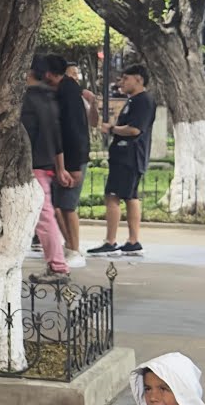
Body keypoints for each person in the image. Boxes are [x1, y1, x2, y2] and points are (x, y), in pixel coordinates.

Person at [90, 65, 155, 257]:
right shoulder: (133, 101)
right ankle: (132, 240)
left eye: (126, 78)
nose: (122, 82)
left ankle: (111, 240)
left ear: (139, 79)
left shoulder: (143, 101)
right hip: (126, 155)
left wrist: (112, 129)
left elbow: (135, 129)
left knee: (113, 196)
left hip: (129, 155)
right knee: (130, 196)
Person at [22, 56, 73, 284]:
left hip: (31, 166)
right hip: (45, 165)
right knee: (44, 216)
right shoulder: (49, 99)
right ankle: (57, 264)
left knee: (44, 218)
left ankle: (58, 266)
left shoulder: (25, 101)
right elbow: (57, 137)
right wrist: (60, 168)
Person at [43, 57, 91, 267]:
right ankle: (70, 245)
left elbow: (75, 131)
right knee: (57, 206)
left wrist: (72, 166)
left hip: (73, 159)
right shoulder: (63, 91)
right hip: (64, 158)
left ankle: (75, 247)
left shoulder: (68, 94)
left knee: (67, 206)